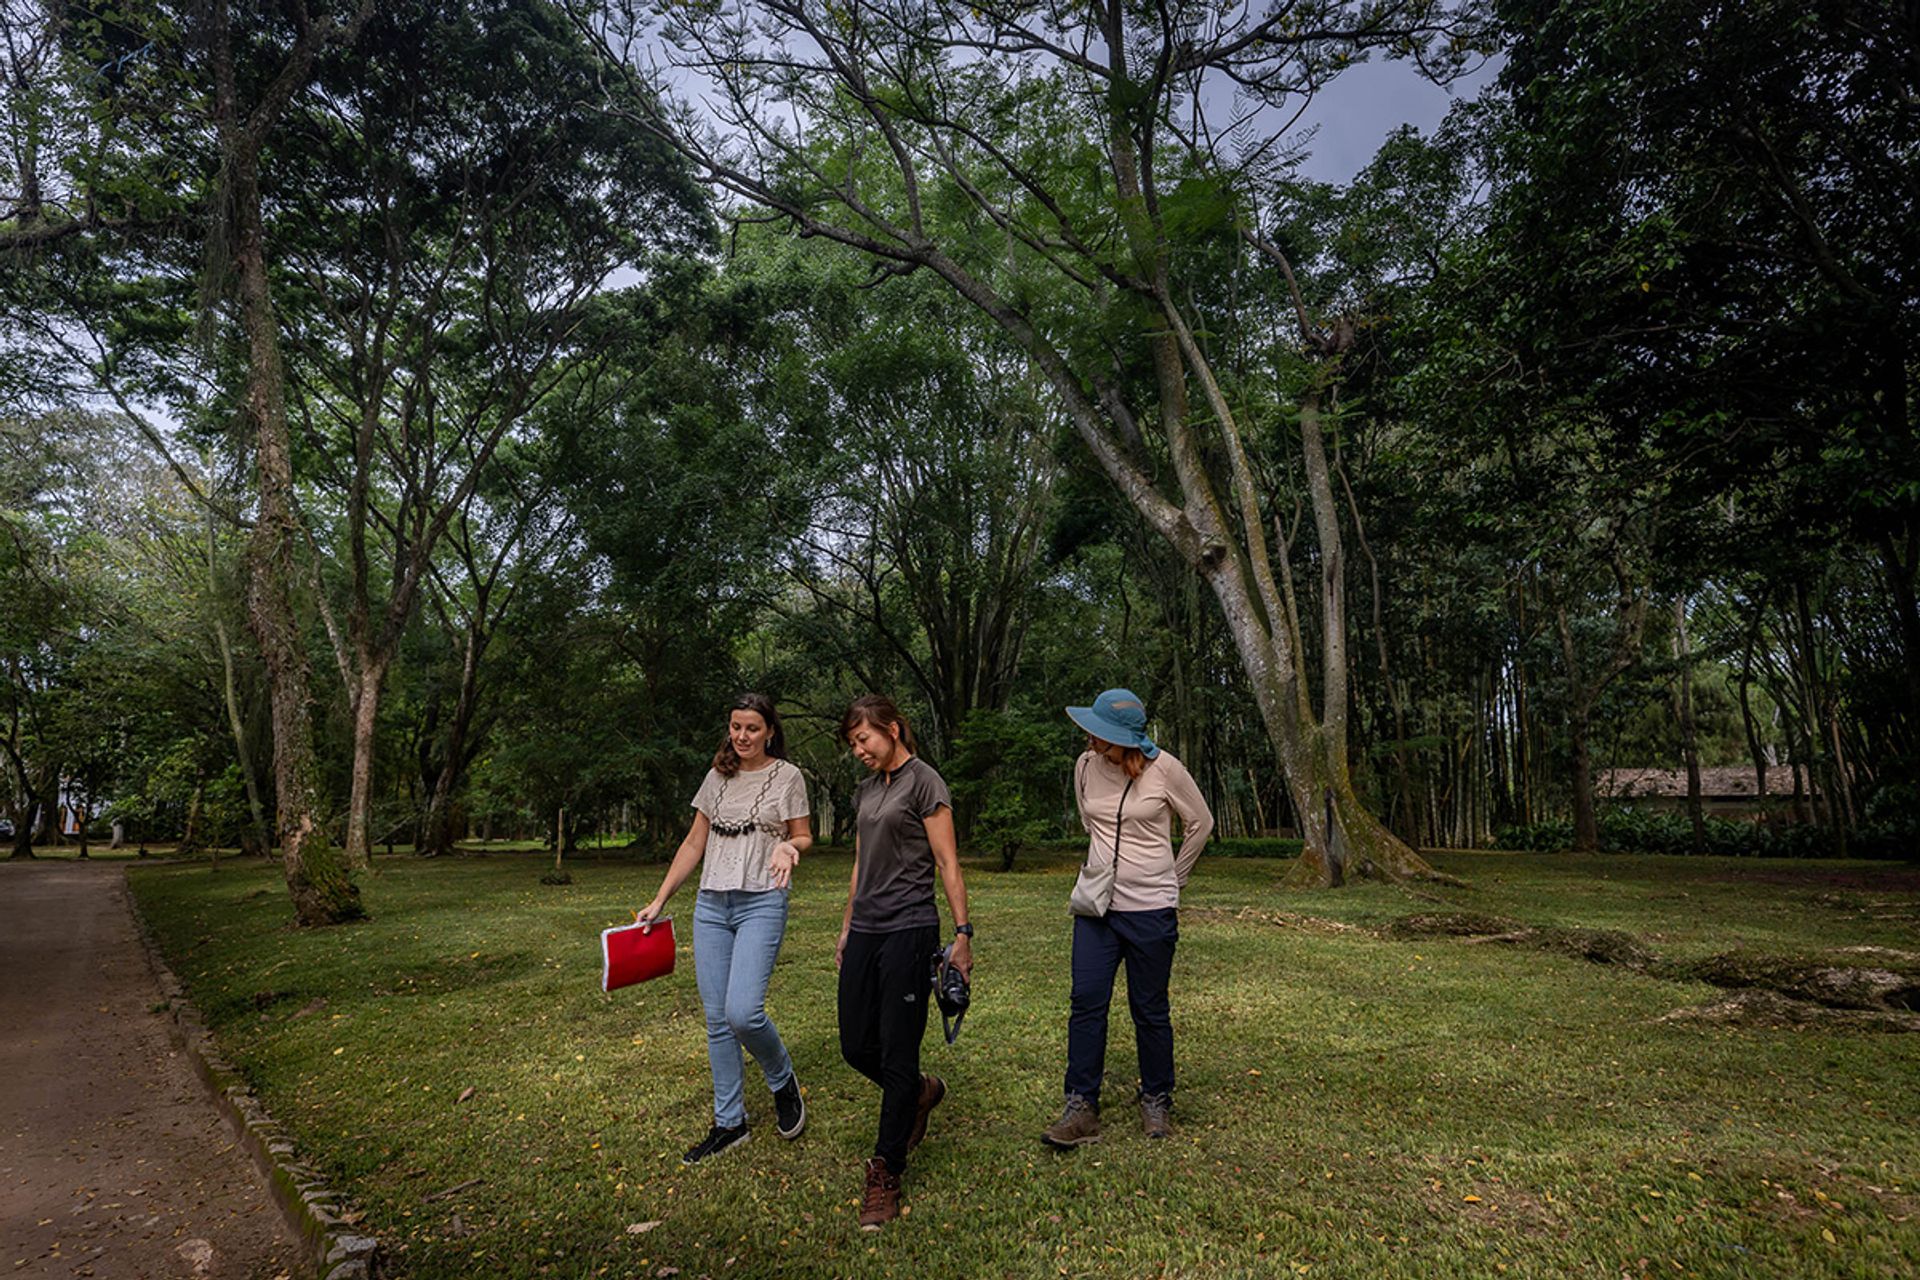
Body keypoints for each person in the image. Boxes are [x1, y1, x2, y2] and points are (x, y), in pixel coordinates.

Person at [635, 693, 812, 1164]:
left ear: (770, 730)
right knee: (717, 1021)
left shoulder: (788, 776)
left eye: (752, 728)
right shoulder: (717, 776)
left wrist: (790, 848)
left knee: (743, 1012)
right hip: (712, 904)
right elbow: (695, 843)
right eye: (735, 727)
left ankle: (781, 1076)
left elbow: (804, 832)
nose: (742, 736)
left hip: (762, 900)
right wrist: (659, 899)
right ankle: (729, 1124)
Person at [1043, 687, 1213, 1149]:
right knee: (1086, 1001)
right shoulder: (1084, 767)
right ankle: (1081, 1106)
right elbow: (1090, 822)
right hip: (1097, 909)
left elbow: (1201, 823)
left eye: (1101, 735)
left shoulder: (1166, 770)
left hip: (1152, 910)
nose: (1092, 741)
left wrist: (1173, 878)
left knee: (1150, 1008)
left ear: (1127, 738)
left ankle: (1156, 1097)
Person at [835, 694, 973, 1230]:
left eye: (863, 739)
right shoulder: (867, 790)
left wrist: (962, 936)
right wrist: (847, 926)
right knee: (854, 1044)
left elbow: (947, 861)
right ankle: (919, 1091)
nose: (858, 751)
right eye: (852, 744)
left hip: (911, 928)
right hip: (867, 929)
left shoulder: (924, 782)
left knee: (896, 1049)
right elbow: (859, 862)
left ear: (892, 730)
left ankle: (886, 1172)